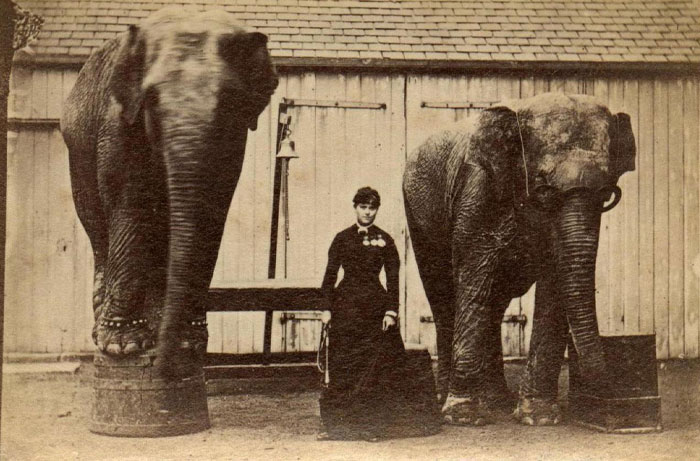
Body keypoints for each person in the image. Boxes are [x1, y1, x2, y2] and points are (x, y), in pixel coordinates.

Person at [317, 186, 406, 441]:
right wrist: (326, 308)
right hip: (345, 307)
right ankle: (337, 426)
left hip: (374, 309)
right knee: (343, 365)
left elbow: (393, 279)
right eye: (363, 207)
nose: (367, 212)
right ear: (355, 208)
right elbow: (329, 277)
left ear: (377, 210)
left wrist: (391, 311)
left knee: (373, 367)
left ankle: (370, 427)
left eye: (372, 208)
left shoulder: (385, 240)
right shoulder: (342, 238)